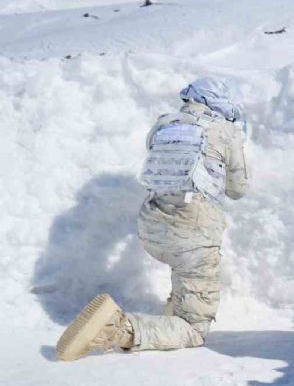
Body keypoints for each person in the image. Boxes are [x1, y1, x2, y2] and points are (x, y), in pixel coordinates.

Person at [56, 77, 249, 361]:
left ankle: (172, 314)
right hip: (193, 232)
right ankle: (118, 328)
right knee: (194, 328)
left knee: (184, 265)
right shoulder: (225, 130)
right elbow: (237, 189)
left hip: (151, 226)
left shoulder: (164, 124)